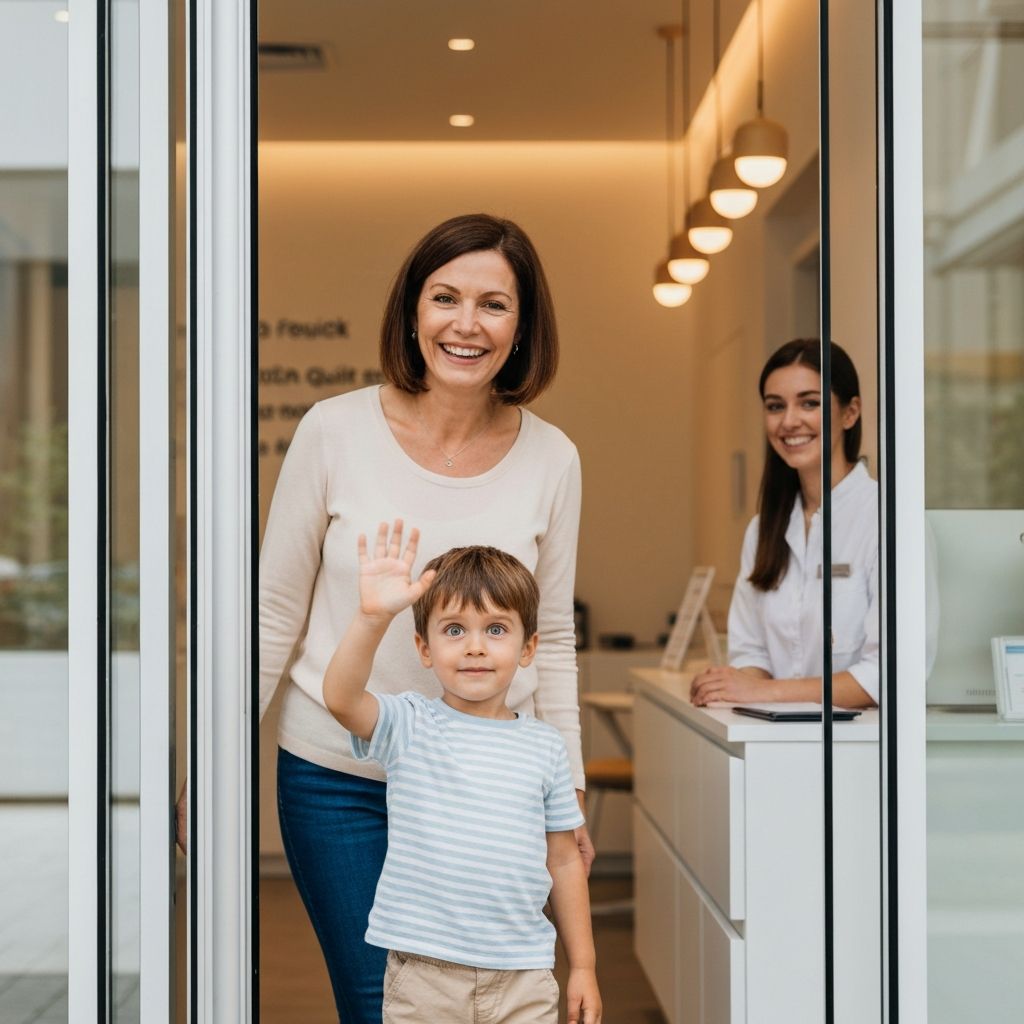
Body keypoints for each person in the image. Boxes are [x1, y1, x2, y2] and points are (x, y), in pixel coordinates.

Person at [256, 213, 592, 1023]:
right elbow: (273, 613)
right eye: (445, 298)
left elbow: (556, 643)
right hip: (337, 777)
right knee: (381, 1004)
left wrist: (569, 787)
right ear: (413, 313)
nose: (466, 324)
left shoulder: (553, 456)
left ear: (523, 327)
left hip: (481, 789)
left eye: (494, 305)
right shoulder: (333, 431)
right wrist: (210, 759)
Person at [322, 525, 602, 1024]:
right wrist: (371, 617)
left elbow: (563, 862)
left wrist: (583, 965)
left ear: (528, 647)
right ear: (424, 648)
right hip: (425, 976)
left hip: (524, 976)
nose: (475, 647)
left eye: (496, 629)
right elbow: (342, 699)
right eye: (455, 629)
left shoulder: (545, 746)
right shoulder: (409, 724)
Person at [691, 338, 878, 709]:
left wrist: (763, 691)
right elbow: (751, 652)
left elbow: (884, 676)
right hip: (775, 742)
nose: (789, 421)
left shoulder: (885, 519)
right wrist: (729, 683)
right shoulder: (763, 529)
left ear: (850, 413)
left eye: (810, 403)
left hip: (861, 752)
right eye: (775, 406)